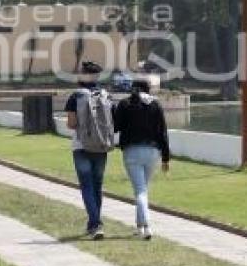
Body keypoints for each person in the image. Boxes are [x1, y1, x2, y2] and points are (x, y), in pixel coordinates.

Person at [112, 79, 169, 240]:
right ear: (148, 89)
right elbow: (162, 132)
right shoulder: (155, 104)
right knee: (143, 189)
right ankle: (139, 227)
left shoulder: (125, 104)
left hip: (132, 152)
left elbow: (116, 127)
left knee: (140, 190)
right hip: (153, 152)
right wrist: (166, 158)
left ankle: (147, 226)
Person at [65, 61, 110, 240]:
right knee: (97, 185)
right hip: (101, 146)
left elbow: (72, 123)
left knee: (86, 186)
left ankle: (95, 224)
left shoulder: (75, 96)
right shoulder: (105, 95)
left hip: (81, 146)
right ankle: (95, 223)